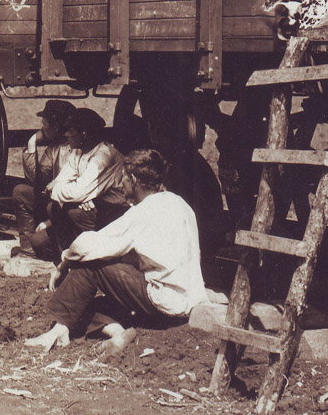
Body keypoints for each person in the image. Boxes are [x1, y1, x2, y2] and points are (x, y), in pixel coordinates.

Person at [25, 150, 208, 356]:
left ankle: (56, 331)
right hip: (187, 303)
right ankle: (118, 332)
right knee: (87, 304)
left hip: (162, 300)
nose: (121, 185)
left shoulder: (143, 212)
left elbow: (88, 246)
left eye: (123, 179)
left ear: (134, 180)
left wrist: (64, 263)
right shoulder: (180, 204)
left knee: (89, 266)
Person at [43, 107, 127, 256]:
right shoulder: (78, 151)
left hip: (114, 211)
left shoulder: (103, 156)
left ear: (84, 134)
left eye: (70, 131)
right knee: (50, 214)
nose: (66, 135)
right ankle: (70, 254)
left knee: (74, 212)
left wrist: (62, 191)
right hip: (95, 203)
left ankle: (95, 255)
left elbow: (76, 192)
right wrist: (80, 195)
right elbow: (61, 180)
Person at [13, 100, 74, 258]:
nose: (42, 127)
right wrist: (31, 143)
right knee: (21, 192)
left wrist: (49, 222)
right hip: (57, 204)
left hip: (68, 210)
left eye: (44, 122)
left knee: (40, 241)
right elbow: (34, 179)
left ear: (55, 127)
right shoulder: (54, 148)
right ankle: (28, 252)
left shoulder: (74, 150)